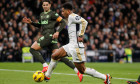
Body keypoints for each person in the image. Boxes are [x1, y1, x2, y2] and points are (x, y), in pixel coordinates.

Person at [45, 2, 111, 84]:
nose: (62, 13)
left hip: (76, 47)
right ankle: (47, 75)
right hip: (70, 45)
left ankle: (105, 77)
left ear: (68, 11)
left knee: (82, 70)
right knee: (54, 56)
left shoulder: (73, 16)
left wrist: (80, 35)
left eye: (63, 11)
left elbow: (84, 22)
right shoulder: (69, 18)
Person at [22, 0, 83, 82]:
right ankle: (77, 71)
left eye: (47, 5)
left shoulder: (53, 14)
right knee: (58, 56)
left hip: (48, 36)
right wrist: (31, 23)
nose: (45, 6)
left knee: (32, 49)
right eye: (44, 5)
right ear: (42, 6)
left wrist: (57, 32)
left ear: (50, 5)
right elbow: (39, 25)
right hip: (51, 38)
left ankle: (45, 66)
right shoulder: (41, 14)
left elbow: (63, 23)